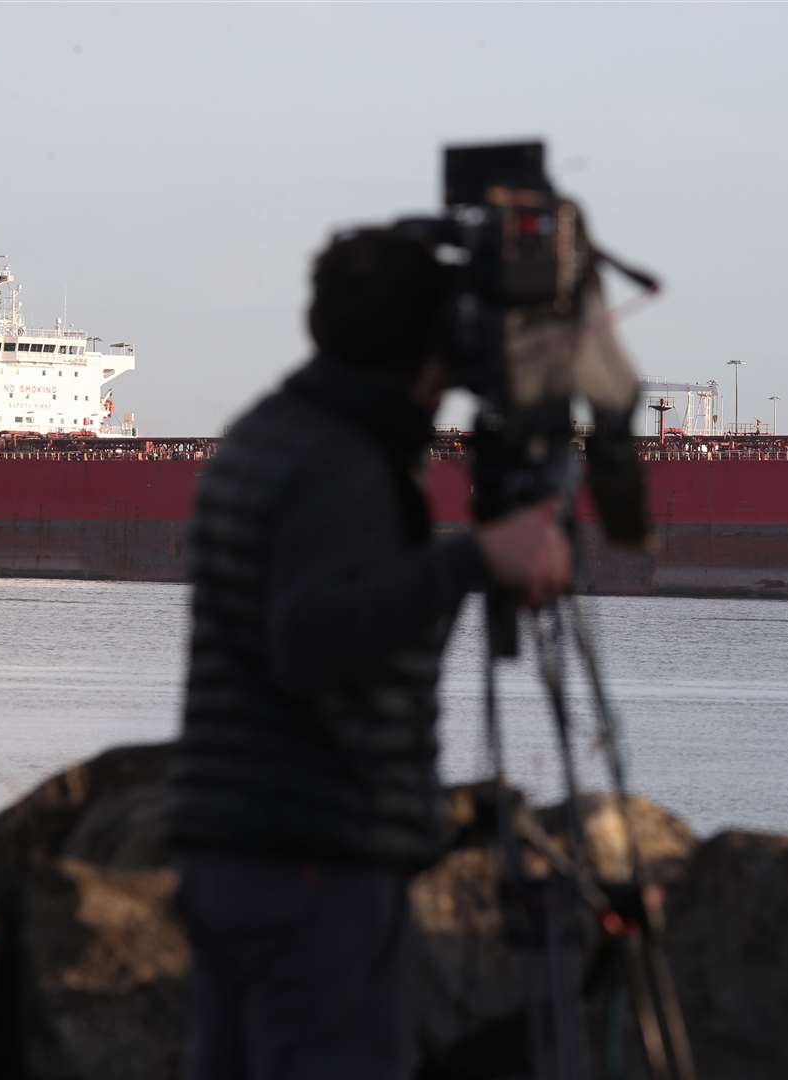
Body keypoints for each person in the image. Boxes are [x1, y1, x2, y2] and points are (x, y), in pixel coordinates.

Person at [167, 228, 572, 1080]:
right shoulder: (339, 464)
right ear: (432, 351)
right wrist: (475, 558)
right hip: (315, 878)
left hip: (231, 862)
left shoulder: (262, 434)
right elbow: (311, 643)